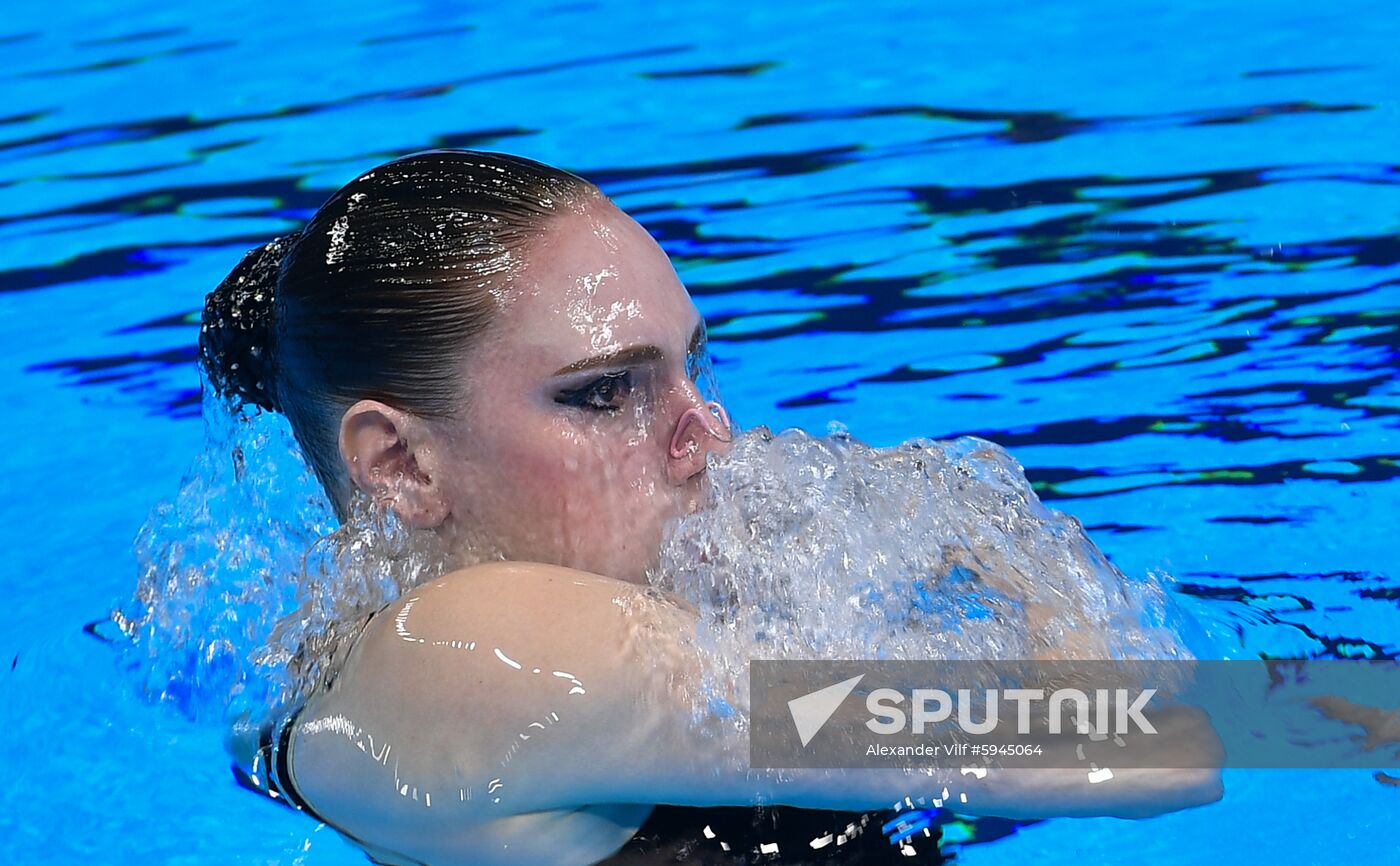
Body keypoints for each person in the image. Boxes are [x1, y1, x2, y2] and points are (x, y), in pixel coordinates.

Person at [201, 149, 1222, 866]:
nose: (710, 437)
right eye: (605, 392)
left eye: (692, 366)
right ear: (401, 464)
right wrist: (996, 539)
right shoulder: (486, 645)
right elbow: (1151, 746)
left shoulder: (369, 647)